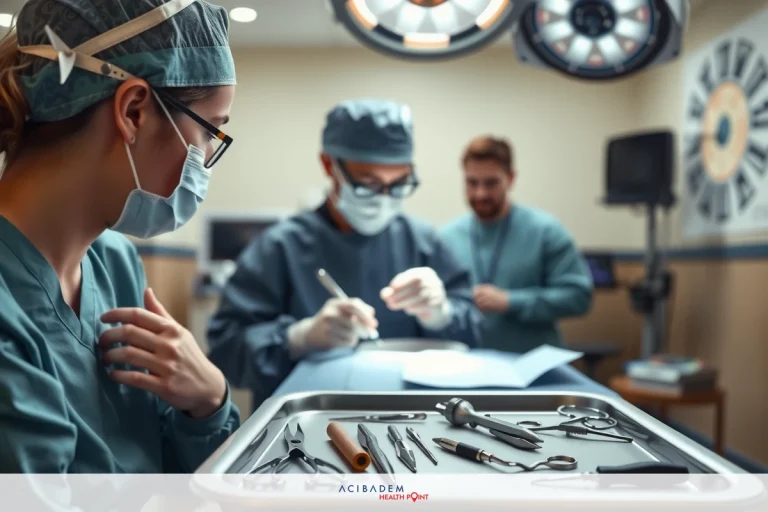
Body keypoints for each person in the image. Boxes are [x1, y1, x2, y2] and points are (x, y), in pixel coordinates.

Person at [0, 0, 239, 473]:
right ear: (133, 111)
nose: (205, 159)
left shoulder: (115, 263)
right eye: (209, 132)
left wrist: (207, 403)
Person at [208, 99, 482, 406]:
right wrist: (299, 338)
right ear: (329, 165)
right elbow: (225, 349)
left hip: (412, 417)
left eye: (398, 184)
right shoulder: (280, 247)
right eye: (368, 183)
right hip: (306, 423)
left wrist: (442, 315)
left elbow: (475, 331)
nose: (383, 198)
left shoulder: (424, 243)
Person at [440, 136, 593, 353]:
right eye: (472, 183)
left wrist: (511, 301)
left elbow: (579, 297)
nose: (480, 193)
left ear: (510, 179)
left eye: (491, 183)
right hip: (468, 364)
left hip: (533, 365)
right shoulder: (447, 237)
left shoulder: (545, 231)